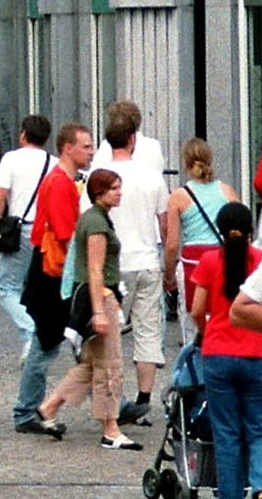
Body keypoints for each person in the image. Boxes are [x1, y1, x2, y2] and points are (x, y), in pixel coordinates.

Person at [35, 168, 140, 450]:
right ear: (99, 191)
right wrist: (99, 311)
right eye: (114, 188)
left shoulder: (97, 218)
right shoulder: (95, 223)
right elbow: (94, 269)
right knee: (109, 364)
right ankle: (111, 428)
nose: (119, 192)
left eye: (120, 186)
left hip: (100, 296)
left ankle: (50, 407)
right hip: (99, 297)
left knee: (91, 365)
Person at [188, 201, 262, 499]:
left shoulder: (210, 261)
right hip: (257, 354)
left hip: (218, 352)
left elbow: (197, 309)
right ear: (252, 230)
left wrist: (204, 330)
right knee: (260, 428)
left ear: (219, 232)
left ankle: (230, 494)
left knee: (227, 433)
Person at [14, 122, 95, 436]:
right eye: (85, 146)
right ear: (67, 148)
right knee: (45, 345)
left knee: (53, 342)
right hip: (53, 274)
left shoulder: (64, 181)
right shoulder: (60, 183)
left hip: (52, 271)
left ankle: (109, 401)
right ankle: (25, 411)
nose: (90, 151)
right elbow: (65, 234)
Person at [101, 116, 169, 426]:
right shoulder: (153, 177)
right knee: (147, 332)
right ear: (133, 140)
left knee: (109, 338)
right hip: (147, 261)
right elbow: (165, 223)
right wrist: (168, 262)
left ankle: (115, 401)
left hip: (114, 267)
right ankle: (143, 401)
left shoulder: (100, 179)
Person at [0, 114, 53, 337]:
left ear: (23, 135)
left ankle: (29, 330)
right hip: (47, 231)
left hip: (21, 229)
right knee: (35, 287)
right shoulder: (54, 163)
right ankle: (32, 337)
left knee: (6, 288)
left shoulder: (11, 159)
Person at [162, 137, 239, 336]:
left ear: (186, 164)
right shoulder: (227, 191)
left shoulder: (179, 196)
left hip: (192, 263)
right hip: (222, 260)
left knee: (192, 323)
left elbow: (171, 245)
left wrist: (168, 275)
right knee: (223, 315)